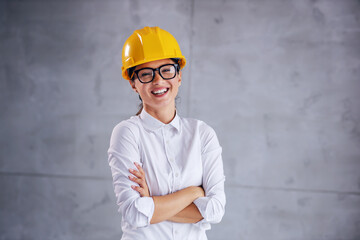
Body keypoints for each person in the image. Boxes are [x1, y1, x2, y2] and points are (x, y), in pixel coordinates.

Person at [107, 26, 226, 240]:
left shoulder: (202, 134)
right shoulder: (127, 133)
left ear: (179, 76)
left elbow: (216, 210)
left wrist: (151, 201)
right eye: (145, 74)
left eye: (167, 70)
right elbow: (134, 213)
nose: (159, 80)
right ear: (133, 84)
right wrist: (194, 193)